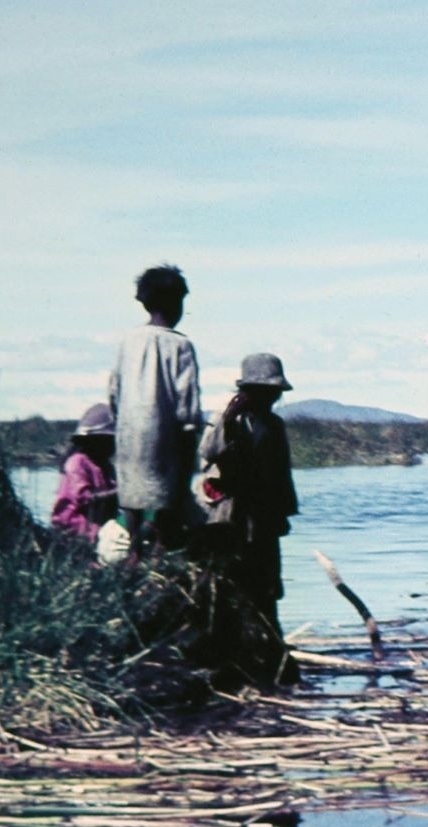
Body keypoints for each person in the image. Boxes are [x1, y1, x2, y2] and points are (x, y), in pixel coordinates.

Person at [198, 352, 300, 681]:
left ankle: (270, 657)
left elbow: (282, 474)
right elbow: (209, 453)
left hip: (264, 520)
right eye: (265, 391)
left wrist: (284, 513)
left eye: (275, 392)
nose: (272, 398)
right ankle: (229, 659)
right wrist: (228, 421)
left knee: (267, 588)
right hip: (229, 520)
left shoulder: (274, 425)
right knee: (229, 587)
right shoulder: (227, 420)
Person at [108, 264, 203, 553]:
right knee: (167, 520)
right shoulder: (180, 345)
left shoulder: (129, 342)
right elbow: (187, 405)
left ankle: (134, 564)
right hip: (166, 444)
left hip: (129, 444)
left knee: (134, 515)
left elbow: (114, 392)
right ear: (178, 303)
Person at [51, 402, 119, 543]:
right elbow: (84, 498)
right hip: (74, 529)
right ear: (95, 441)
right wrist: (120, 492)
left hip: (97, 527)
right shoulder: (77, 462)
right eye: (109, 441)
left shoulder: (105, 466)